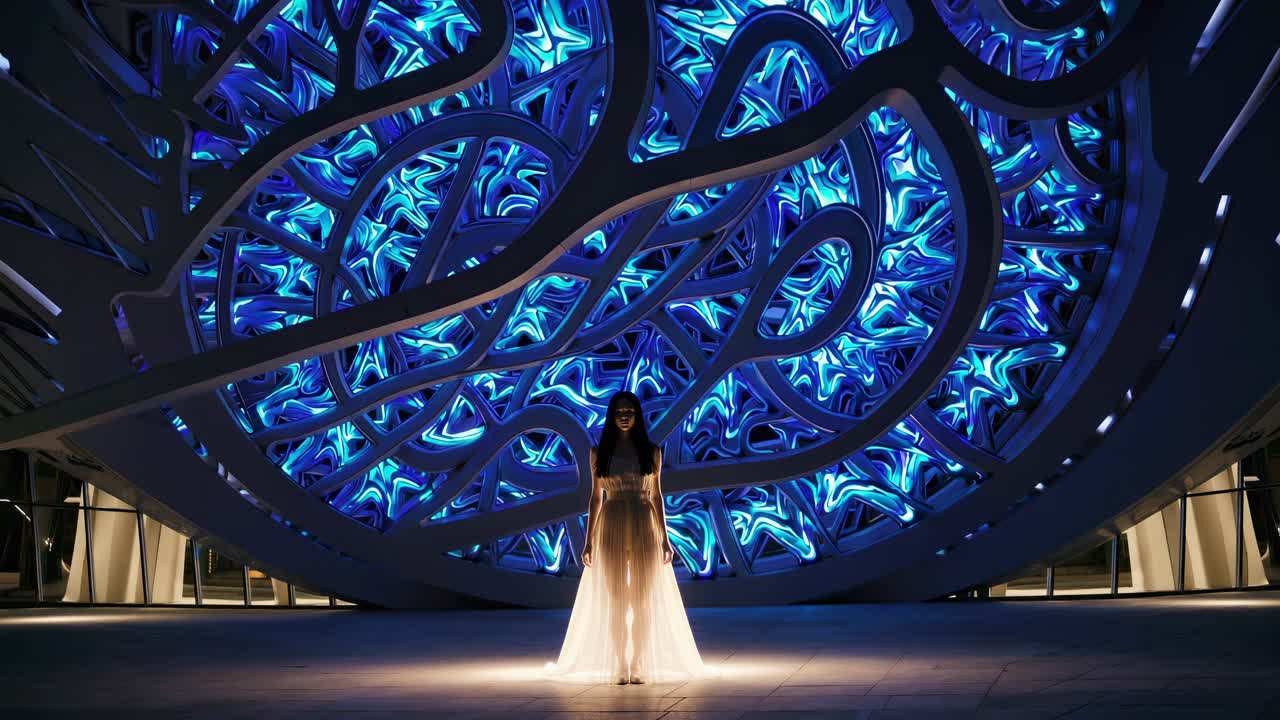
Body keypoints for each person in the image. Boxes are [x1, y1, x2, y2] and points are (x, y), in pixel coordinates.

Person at [547, 391, 705, 684]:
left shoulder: (652, 451)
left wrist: (665, 538)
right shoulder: (598, 453)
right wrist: (589, 538)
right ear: (611, 415)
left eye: (629, 411)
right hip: (612, 518)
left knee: (642, 599)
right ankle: (621, 662)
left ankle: (638, 662)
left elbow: (657, 495)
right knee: (617, 598)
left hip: (644, 518)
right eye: (619, 411)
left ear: (637, 415)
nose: (624, 416)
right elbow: (595, 497)